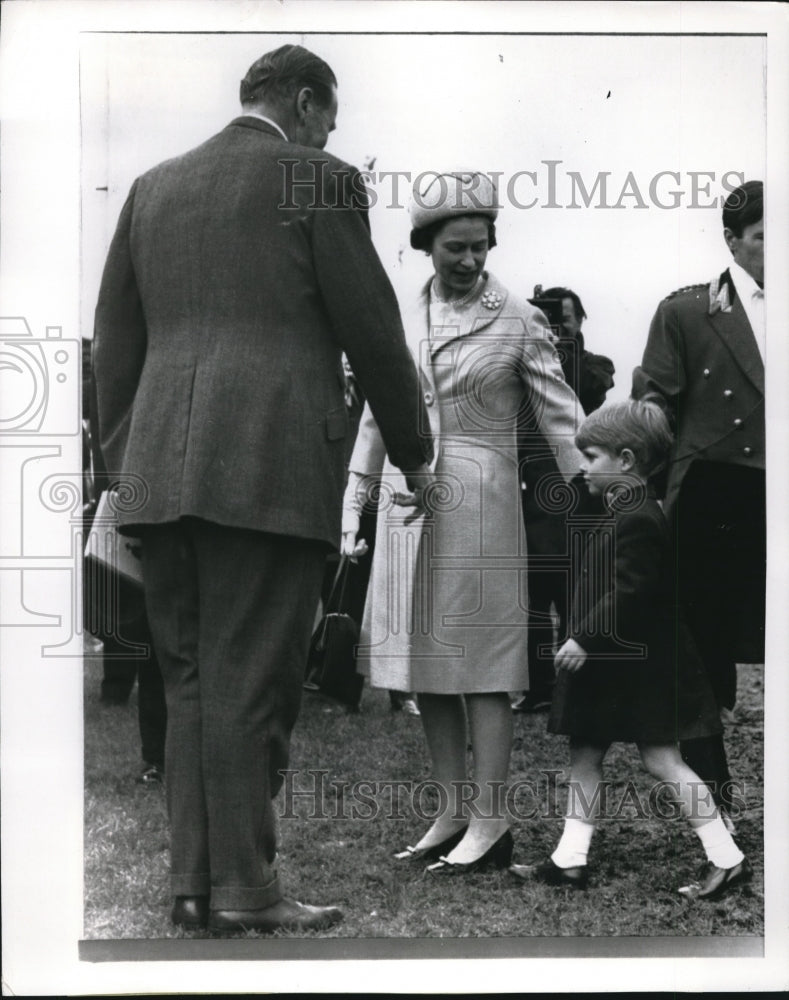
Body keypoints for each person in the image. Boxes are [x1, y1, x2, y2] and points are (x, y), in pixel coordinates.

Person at [93, 44, 433, 934]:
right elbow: (373, 330)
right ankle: (246, 893)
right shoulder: (318, 179)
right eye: (328, 115)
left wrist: (123, 472)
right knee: (254, 685)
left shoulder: (151, 187)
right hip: (270, 474)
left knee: (195, 682)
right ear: (306, 100)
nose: (331, 132)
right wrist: (416, 453)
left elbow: (116, 347)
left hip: (162, 480)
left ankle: (195, 887)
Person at [342, 172, 582, 872]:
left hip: (481, 506)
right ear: (426, 245)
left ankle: (491, 818)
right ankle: (450, 813)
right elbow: (379, 408)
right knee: (422, 665)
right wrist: (355, 495)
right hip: (406, 502)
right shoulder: (402, 312)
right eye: (455, 247)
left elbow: (561, 415)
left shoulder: (517, 318)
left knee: (480, 668)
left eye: (479, 246)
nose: (470, 260)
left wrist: (600, 492)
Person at [511, 399, 751, 899]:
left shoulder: (639, 518)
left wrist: (584, 637)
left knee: (662, 759)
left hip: (636, 667)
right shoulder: (622, 511)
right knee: (585, 753)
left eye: (591, 456)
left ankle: (727, 859)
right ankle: (570, 858)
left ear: (626, 460)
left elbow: (630, 590)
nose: (582, 468)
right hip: (614, 667)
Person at [632, 180, 765, 822]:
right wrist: (637, 486)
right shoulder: (685, 312)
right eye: (767, 237)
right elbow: (653, 404)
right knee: (703, 653)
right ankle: (715, 803)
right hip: (715, 495)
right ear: (734, 241)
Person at [514, 286, 615, 713]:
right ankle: (538, 688)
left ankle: (576, 689)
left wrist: (557, 353)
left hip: (577, 497)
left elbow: (588, 392)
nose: (556, 326)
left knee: (576, 594)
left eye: (564, 319)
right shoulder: (525, 364)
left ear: (580, 322)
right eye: (547, 319)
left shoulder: (592, 365)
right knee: (534, 599)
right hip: (534, 495)